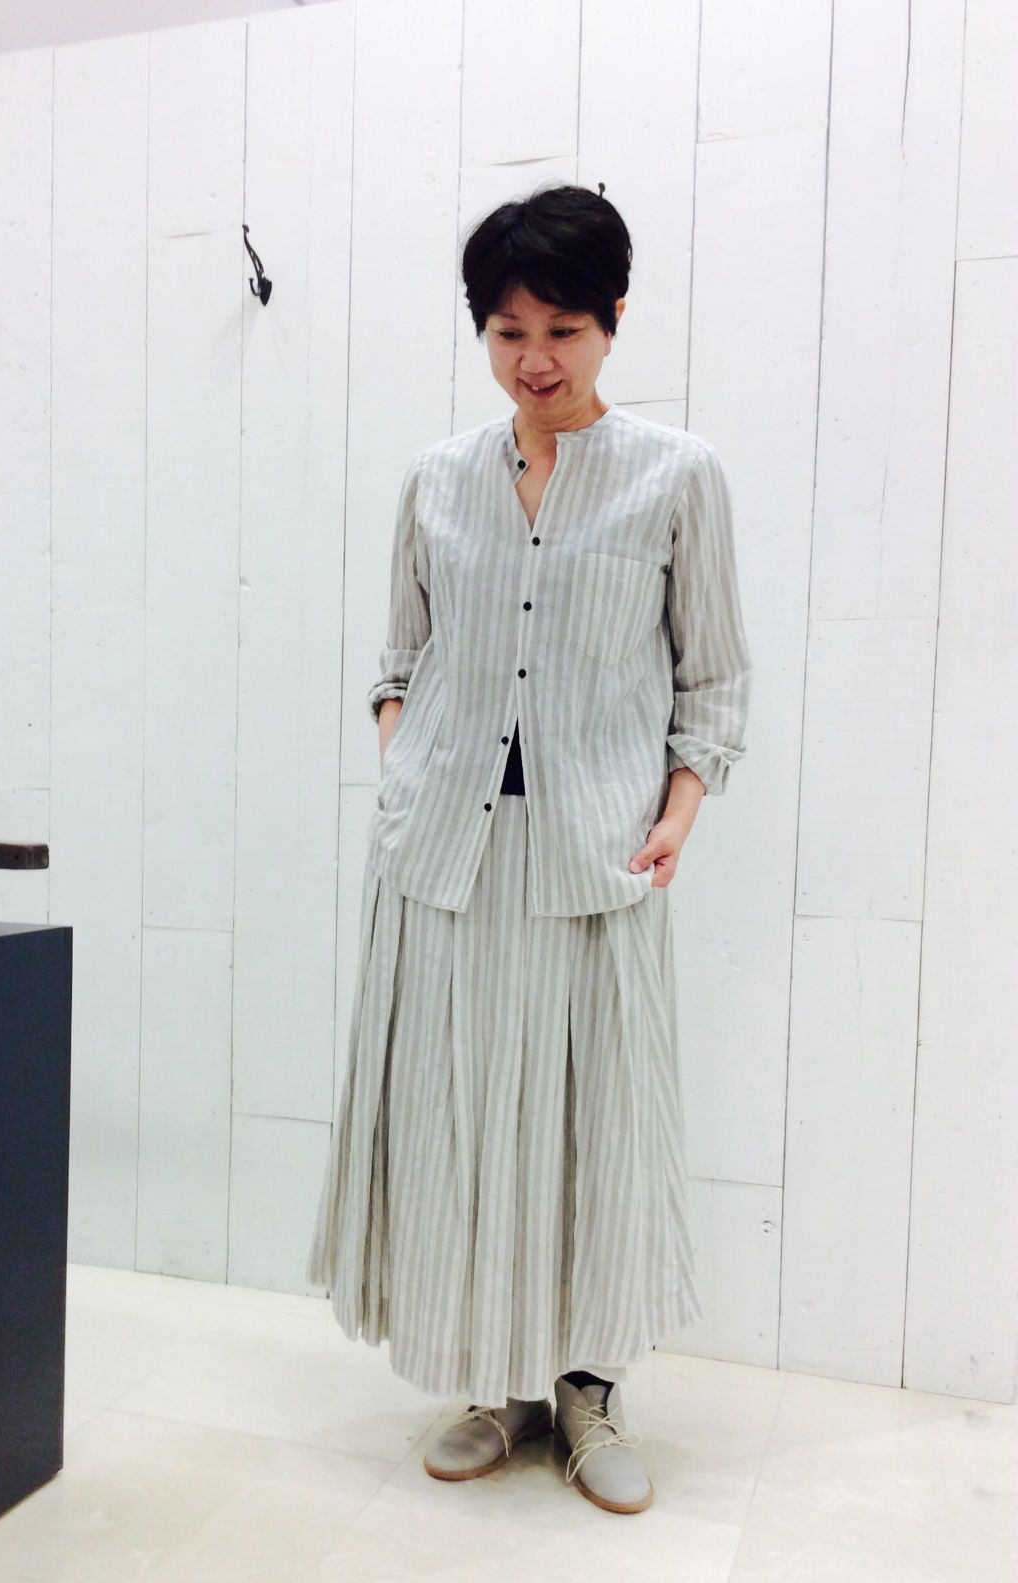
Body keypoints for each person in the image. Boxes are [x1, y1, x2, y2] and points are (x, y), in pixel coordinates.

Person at [306, 182, 752, 1515]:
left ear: (612, 321)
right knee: (459, 1119)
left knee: (591, 1126)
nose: (536, 360)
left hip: (597, 858)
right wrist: (410, 764)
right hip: (444, 859)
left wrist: (676, 813)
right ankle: (492, 1381)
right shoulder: (437, 479)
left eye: (563, 329)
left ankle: (587, 1389)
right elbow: (399, 659)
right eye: (509, 332)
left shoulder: (677, 476)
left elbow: (714, 678)